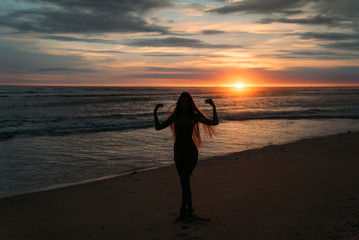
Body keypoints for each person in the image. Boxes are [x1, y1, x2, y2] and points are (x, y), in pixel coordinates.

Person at [154, 92, 219, 221]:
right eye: (183, 101)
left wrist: (214, 107)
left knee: (184, 179)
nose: (185, 104)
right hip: (178, 152)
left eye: (187, 101)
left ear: (190, 103)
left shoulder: (194, 117)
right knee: (184, 182)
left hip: (191, 152)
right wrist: (155, 112)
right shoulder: (175, 116)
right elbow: (158, 127)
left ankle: (183, 210)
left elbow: (214, 123)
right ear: (180, 103)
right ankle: (191, 209)